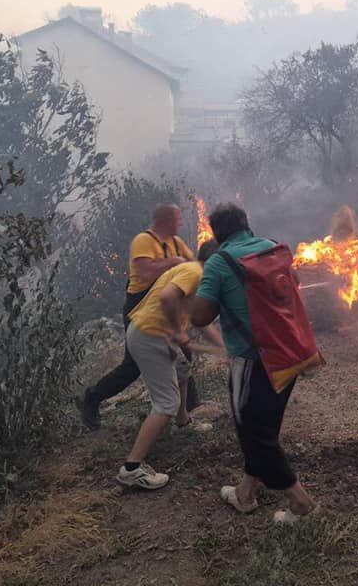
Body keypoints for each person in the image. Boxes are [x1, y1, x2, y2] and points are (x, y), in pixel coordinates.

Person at [190, 203, 319, 524]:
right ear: (246, 224)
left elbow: (201, 316)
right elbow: (295, 283)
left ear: (216, 234)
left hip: (253, 360)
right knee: (264, 424)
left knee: (253, 432)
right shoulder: (273, 248)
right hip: (290, 353)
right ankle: (246, 493)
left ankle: (302, 503)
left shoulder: (220, 263)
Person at [116, 240, 224, 490]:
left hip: (152, 333)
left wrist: (222, 348)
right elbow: (166, 297)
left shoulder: (195, 274)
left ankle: (183, 422)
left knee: (183, 367)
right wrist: (177, 330)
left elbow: (200, 320)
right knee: (166, 402)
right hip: (149, 336)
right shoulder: (195, 272)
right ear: (216, 262)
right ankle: (131, 469)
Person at [78, 204, 195, 430]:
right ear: (164, 221)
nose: (180, 223)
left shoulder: (177, 243)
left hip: (162, 306)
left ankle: (188, 409)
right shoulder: (144, 241)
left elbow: (190, 266)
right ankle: (92, 398)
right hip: (139, 308)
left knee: (183, 354)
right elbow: (145, 272)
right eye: (177, 219)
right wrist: (173, 263)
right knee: (132, 366)